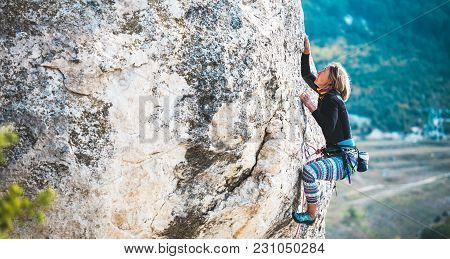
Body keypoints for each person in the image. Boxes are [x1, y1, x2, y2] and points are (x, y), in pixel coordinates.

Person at [293, 34, 358, 225]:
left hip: (344, 160)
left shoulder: (332, 99)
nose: (319, 71)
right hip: (339, 155)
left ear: (330, 81)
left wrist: (309, 104)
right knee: (309, 171)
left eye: (323, 71)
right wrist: (307, 52)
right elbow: (306, 75)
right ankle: (313, 205)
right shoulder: (326, 94)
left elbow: (328, 128)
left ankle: (311, 216)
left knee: (309, 172)